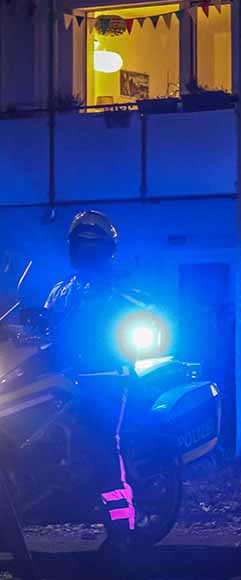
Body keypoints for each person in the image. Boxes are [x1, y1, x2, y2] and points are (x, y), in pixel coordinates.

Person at [43, 211, 148, 552]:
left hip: (105, 379)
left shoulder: (122, 291)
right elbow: (43, 329)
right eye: (81, 244)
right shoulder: (61, 292)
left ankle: (121, 529)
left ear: (108, 250)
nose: (87, 251)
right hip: (60, 379)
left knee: (103, 444)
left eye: (94, 245)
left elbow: (144, 316)